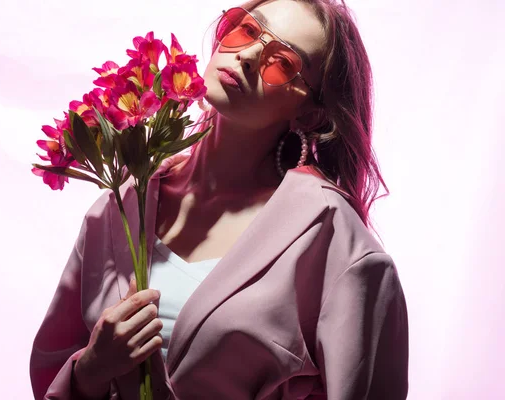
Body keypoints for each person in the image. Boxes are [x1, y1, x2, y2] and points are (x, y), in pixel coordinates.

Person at [29, 0, 409, 399]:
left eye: (282, 62)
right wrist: (89, 372)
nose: (247, 56)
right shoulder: (123, 204)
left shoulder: (339, 248)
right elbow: (51, 372)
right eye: (245, 30)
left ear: (312, 113)